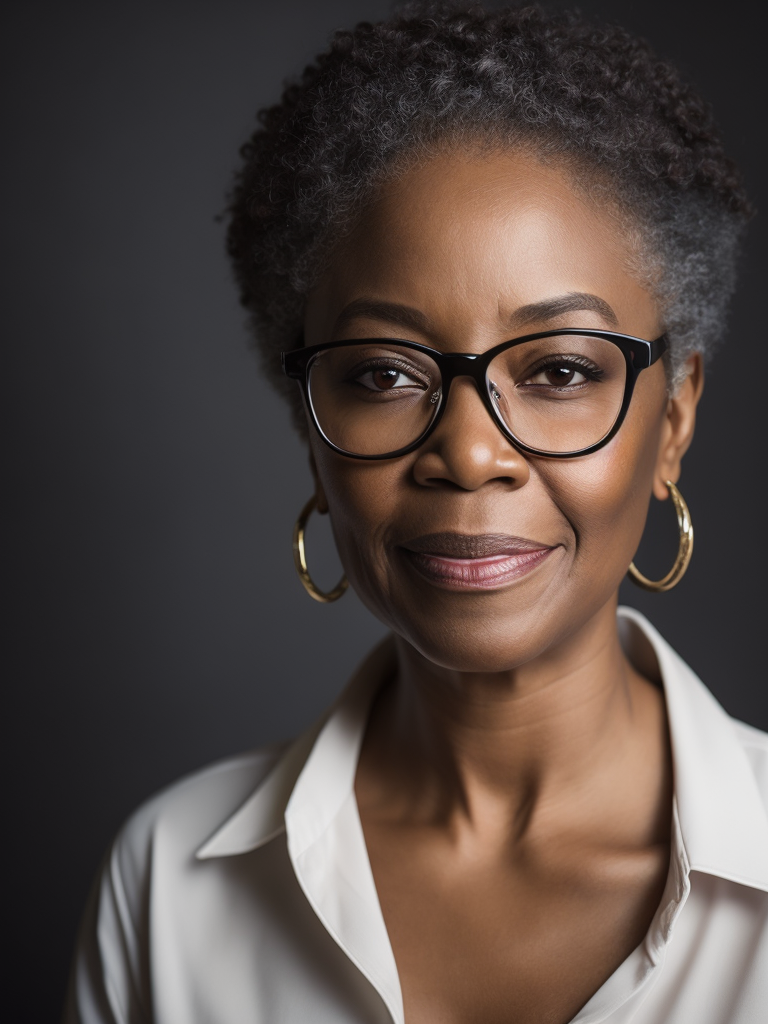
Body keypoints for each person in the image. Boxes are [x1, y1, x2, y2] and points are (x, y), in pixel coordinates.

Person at [63, 3, 767, 1022]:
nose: (470, 452)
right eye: (386, 373)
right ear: (309, 427)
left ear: (674, 420)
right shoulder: (168, 885)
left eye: (560, 369)